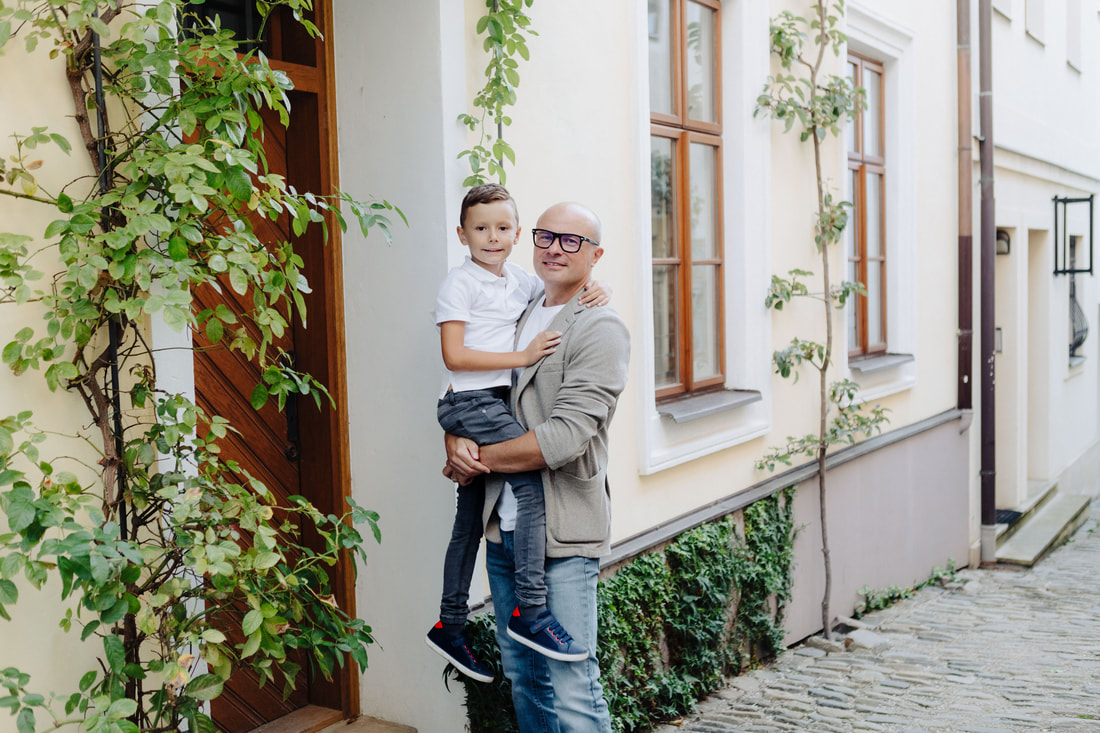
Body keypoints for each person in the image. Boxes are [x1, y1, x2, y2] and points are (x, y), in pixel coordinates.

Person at [444, 201, 630, 732]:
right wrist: (455, 435)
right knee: (523, 673)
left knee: (573, 683)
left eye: (572, 241)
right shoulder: (521, 305)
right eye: (547, 236)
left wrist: (475, 460)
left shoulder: (600, 327)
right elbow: (476, 384)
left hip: (564, 531)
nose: (555, 248)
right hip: (503, 529)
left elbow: (566, 436)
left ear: (595, 255)